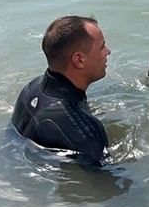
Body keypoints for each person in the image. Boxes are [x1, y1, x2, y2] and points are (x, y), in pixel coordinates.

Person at [12, 16, 111, 166]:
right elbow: (109, 183)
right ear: (79, 60)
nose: (108, 51)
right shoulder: (86, 132)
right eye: (102, 47)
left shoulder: (32, 87)